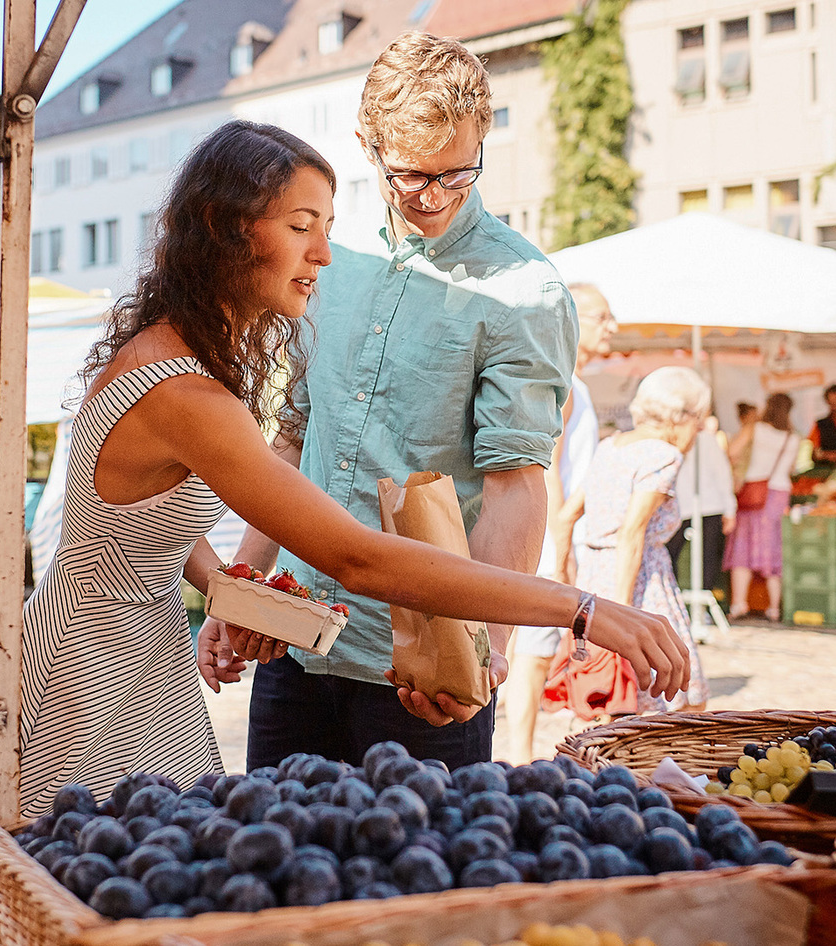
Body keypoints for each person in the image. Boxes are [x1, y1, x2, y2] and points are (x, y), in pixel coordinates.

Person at [0, 121, 689, 879]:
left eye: (327, 228)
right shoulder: (187, 392)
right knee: (95, 891)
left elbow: (145, 525)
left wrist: (229, 589)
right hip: (93, 671)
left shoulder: (175, 354)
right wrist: (580, 608)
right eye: (302, 228)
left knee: (149, 885)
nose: (324, 254)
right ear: (228, 229)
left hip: (129, 653)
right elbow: (356, 557)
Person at [204, 31, 581, 772]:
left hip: (424, 666)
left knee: (413, 882)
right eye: (411, 175)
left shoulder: (524, 292)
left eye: (457, 174)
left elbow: (515, 485)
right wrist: (237, 591)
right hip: (296, 643)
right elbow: (291, 442)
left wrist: (487, 653)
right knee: (275, 873)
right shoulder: (326, 260)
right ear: (367, 146)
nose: (434, 197)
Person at [549, 367, 712, 717]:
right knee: (683, 692)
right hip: (638, 580)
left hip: (594, 578)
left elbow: (566, 516)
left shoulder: (610, 446)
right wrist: (621, 613)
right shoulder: (664, 455)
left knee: (611, 700)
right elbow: (632, 532)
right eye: (698, 419)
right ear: (679, 417)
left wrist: (565, 574)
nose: (699, 429)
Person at [503, 283, 615, 762]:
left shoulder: (576, 384)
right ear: (576, 319)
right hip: (548, 534)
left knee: (537, 653)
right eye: (603, 317)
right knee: (531, 654)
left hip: (554, 532)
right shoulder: (563, 382)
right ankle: (519, 756)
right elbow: (547, 468)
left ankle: (521, 752)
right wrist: (560, 545)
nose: (613, 328)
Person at [724, 392, 801, 621]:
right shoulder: (793, 438)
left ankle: (739, 604)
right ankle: (774, 607)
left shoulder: (755, 429)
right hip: (779, 494)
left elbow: (732, 452)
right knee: (772, 546)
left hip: (754, 493)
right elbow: (792, 469)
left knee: (743, 546)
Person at [665, 415, 736, 597]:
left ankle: (696, 603)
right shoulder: (669, 440)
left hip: (699, 506)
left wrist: (729, 507)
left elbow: (722, 473)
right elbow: (722, 473)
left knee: (704, 557)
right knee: (695, 556)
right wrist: (729, 508)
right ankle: (673, 598)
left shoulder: (703, 440)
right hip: (688, 507)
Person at [808, 384, 836, 476]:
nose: (834, 406)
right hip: (825, 472)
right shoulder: (820, 424)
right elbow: (814, 454)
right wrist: (826, 455)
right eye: (831, 403)